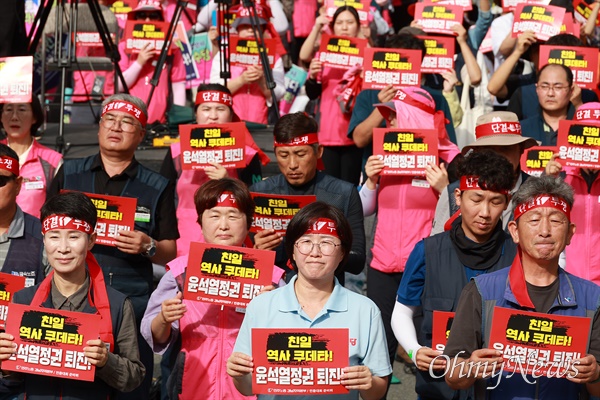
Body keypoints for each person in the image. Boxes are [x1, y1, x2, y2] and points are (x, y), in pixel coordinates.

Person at [48, 93, 178, 399]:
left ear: (142, 134)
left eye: (127, 122)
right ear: (99, 126)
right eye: (110, 119)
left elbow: (170, 249)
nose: (116, 127)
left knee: (131, 386)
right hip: (72, 297)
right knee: (71, 386)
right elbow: (48, 228)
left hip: (132, 302)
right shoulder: (70, 172)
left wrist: (148, 246)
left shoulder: (157, 184)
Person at [444, 175, 600, 398]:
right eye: (534, 220)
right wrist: (470, 366)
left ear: (570, 233)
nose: (545, 231)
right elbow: (452, 377)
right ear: (515, 231)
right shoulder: (481, 291)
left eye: (556, 221)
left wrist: (594, 373)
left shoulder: (592, 299)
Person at [227, 201, 392, 399]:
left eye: (326, 243)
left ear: (342, 254)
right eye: (305, 242)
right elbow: (247, 387)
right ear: (293, 252)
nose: (315, 252)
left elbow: (376, 391)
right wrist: (239, 374)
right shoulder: (261, 306)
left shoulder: (365, 310)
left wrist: (368, 382)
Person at [141, 178, 284, 399]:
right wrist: (164, 318)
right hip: (193, 384)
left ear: (248, 223)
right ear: (200, 222)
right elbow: (154, 334)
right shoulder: (180, 272)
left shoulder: (271, 276)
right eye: (214, 215)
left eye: (233, 216)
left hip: (250, 385)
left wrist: (276, 309)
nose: (223, 225)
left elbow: (291, 339)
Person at [390, 150, 517, 400]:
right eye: (476, 199)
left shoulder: (518, 255)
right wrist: (414, 349)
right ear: (458, 197)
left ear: (507, 201)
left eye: (495, 202)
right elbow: (403, 310)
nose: (485, 212)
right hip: (438, 386)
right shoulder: (428, 250)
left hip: (499, 387)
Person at [358, 86, 460, 395]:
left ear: (414, 118)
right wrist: (370, 181)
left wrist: (445, 189)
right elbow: (363, 209)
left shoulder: (449, 157)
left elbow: (462, 217)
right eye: (388, 119)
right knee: (379, 348)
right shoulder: (382, 154)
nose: (388, 126)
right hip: (382, 265)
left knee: (428, 348)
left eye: (395, 117)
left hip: (427, 267)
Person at [0, 191, 145, 399]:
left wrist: (106, 361)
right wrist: (5, 364)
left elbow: (134, 378)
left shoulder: (118, 305)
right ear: (44, 240)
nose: (63, 248)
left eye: (74, 237)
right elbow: (13, 380)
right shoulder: (22, 301)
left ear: (91, 240)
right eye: (54, 236)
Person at [250, 112, 365, 286]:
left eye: (300, 154)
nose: (292, 164)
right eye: (283, 155)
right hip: (272, 292)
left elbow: (357, 260)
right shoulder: (259, 193)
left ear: (318, 152)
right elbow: (243, 258)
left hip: (325, 294)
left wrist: (326, 251)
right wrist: (257, 250)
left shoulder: (343, 193)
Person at [159, 83, 268, 257]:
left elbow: (256, 202)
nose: (213, 116)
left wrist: (229, 182)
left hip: (230, 239)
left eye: (220, 109)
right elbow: (163, 197)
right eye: (206, 109)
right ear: (196, 113)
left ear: (231, 114)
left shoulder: (247, 154)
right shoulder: (176, 151)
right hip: (184, 241)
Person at [430, 111, 538, 235]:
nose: (499, 157)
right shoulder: (452, 193)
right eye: (490, 149)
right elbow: (437, 245)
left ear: (521, 149)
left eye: (506, 148)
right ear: (477, 152)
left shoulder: (538, 192)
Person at [301, 6, 368, 184]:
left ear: (358, 26)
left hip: (354, 133)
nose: (344, 27)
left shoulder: (365, 55)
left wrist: (363, 39)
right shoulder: (323, 54)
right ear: (332, 26)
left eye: (350, 22)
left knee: (349, 187)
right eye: (339, 23)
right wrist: (313, 77)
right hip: (327, 133)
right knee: (327, 188)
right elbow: (311, 91)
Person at [544, 102, 600, 285]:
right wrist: (548, 180)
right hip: (567, 280)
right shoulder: (560, 172)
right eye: (583, 134)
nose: (591, 142)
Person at [210, 2, 286, 124]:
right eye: (245, 26)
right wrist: (241, 80)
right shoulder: (224, 54)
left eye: (256, 26)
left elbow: (279, 93)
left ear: (263, 30)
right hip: (229, 122)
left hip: (262, 123)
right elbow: (214, 90)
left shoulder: (273, 56)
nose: (251, 30)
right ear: (238, 29)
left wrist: (262, 80)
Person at [118, 0, 186, 124]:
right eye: (142, 15)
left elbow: (178, 86)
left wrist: (178, 121)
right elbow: (118, 85)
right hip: (129, 121)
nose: (147, 21)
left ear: (161, 19)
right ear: (135, 19)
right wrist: (139, 63)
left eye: (153, 16)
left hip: (162, 122)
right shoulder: (124, 46)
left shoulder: (173, 49)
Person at [0, 97, 62, 218]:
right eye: (8, 109)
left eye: (22, 109)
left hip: (34, 234)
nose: (14, 117)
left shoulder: (53, 160)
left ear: (35, 117)